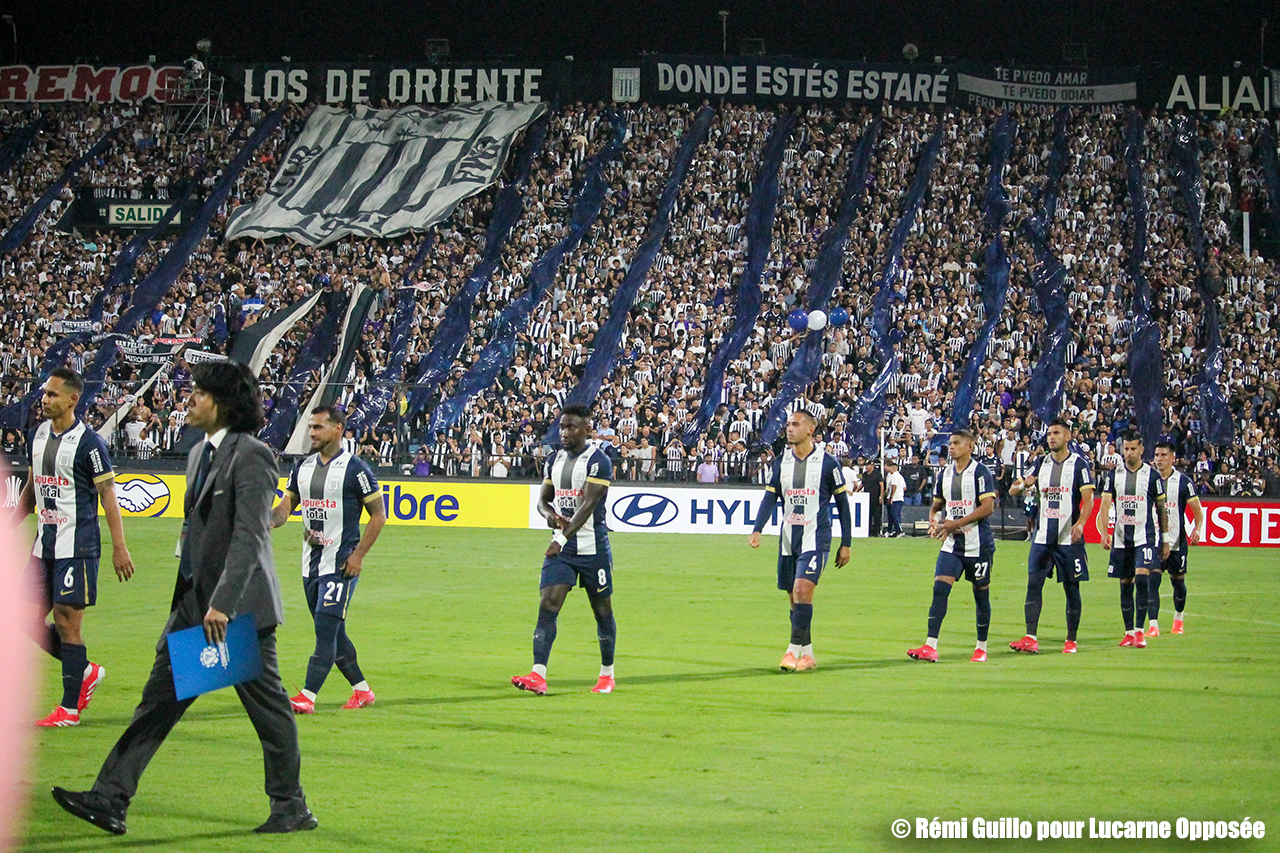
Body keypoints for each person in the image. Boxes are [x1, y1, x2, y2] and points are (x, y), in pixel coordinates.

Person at [52, 361, 316, 835]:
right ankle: (110, 799)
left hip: (236, 613)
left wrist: (223, 604)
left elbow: (250, 536)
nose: (189, 399)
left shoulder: (253, 455)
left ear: (224, 404)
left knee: (269, 711)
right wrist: (189, 603)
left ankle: (290, 806)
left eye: (200, 393)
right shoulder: (198, 454)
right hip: (196, 608)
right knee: (157, 704)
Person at [15, 368, 133, 727]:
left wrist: (119, 547)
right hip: (44, 546)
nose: (44, 399)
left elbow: (108, 494)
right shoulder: (37, 435)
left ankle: (68, 709)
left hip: (77, 546)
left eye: (52, 394)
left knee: (66, 622)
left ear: (72, 400)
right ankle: (84, 671)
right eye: (44, 393)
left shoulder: (89, 443)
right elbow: (33, 488)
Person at [271, 405, 386, 713]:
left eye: (318, 427)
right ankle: (362, 691)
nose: (312, 433)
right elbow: (287, 506)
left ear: (337, 429)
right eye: (311, 427)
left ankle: (307, 696)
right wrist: (269, 520)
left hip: (341, 565)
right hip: (311, 564)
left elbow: (378, 515)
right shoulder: (302, 467)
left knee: (325, 630)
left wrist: (358, 556)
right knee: (334, 632)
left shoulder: (356, 470)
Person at [513, 404, 617, 696]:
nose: (564, 433)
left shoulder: (598, 462)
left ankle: (607, 674)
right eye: (562, 427)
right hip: (563, 553)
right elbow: (543, 500)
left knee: (602, 611)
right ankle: (538, 675)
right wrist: (549, 516)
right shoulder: (553, 460)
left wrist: (559, 539)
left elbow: (588, 506)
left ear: (587, 429)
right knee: (548, 603)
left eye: (571, 427)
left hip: (593, 549)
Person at [748, 410, 852, 672]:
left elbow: (843, 504)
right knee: (795, 600)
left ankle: (791, 652)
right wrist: (758, 528)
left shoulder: (828, 463)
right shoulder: (781, 462)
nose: (789, 428)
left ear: (810, 429)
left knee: (803, 591)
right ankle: (808, 655)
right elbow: (771, 496)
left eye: (795, 424)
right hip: (788, 540)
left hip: (816, 539)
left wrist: (846, 543)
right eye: (788, 424)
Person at [907, 430, 996, 663]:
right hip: (952, 544)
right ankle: (930, 646)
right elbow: (937, 505)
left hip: (978, 545)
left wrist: (956, 523)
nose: (952, 447)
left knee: (981, 595)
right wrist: (933, 521)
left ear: (970, 447)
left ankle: (981, 647)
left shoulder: (980, 472)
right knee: (940, 589)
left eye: (956, 443)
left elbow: (988, 507)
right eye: (951, 443)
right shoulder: (945, 473)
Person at [1007, 418, 1095, 654]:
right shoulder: (1040, 463)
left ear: (1068, 436)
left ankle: (1071, 640)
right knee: (1034, 584)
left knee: (1071, 587)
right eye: (1049, 434)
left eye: (1056, 433)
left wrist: (1081, 523)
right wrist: (1023, 485)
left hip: (1068, 539)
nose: (1051, 437)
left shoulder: (1079, 464)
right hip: (1042, 537)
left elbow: (1088, 499)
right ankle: (1030, 637)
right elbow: (1014, 489)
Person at [1097, 430, 1168, 648]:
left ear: (1141, 450)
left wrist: (1165, 539)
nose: (1129, 453)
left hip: (1144, 536)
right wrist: (1104, 532)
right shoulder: (1113, 475)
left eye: (1133, 449)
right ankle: (1128, 632)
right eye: (1126, 449)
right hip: (1121, 538)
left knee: (1142, 578)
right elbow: (1105, 504)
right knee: (1125, 583)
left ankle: (1139, 631)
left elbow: (1161, 509)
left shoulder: (1152, 476)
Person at [1151, 439, 1204, 635]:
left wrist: (1197, 529)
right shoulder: (1148, 479)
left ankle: (1178, 618)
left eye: (1163, 455)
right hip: (1154, 541)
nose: (1159, 459)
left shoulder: (1183, 482)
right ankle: (1153, 625)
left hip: (1176, 541)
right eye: (1157, 455)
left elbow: (1197, 509)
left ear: (1173, 458)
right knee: (1152, 581)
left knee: (1178, 581)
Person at [862, 460, 883, 538]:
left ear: (872, 466)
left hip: (875, 497)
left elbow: (881, 485)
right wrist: (856, 492)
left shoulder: (877, 474)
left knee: (876, 515)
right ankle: (869, 531)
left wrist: (881, 496)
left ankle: (876, 531)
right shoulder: (865, 475)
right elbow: (862, 484)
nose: (866, 467)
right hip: (866, 497)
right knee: (868, 515)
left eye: (868, 465)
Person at [884, 460, 906, 537]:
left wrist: (891, 497)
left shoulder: (894, 476)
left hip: (895, 499)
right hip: (899, 498)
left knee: (894, 515)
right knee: (892, 516)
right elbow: (904, 487)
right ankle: (890, 531)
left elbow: (894, 486)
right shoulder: (900, 476)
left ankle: (899, 531)